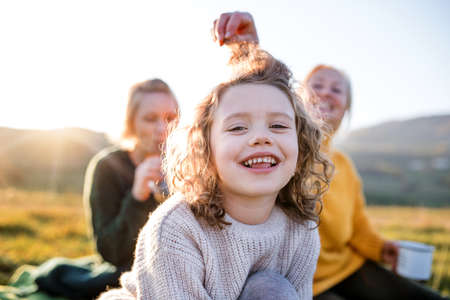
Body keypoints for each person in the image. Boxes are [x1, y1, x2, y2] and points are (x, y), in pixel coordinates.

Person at [212, 11, 449, 300]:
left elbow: (358, 227)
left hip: (349, 267)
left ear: (346, 108)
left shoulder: (346, 166)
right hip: (300, 276)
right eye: (318, 85)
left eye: (337, 90)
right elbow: (258, 89)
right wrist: (246, 49)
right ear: (296, 98)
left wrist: (381, 248)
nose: (326, 93)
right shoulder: (287, 146)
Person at [97, 45, 333, 299]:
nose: (261, 137)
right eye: (238, 127)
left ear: (301, 145)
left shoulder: (301, 228)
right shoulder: (176, 228)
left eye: (277, 125)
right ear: (206, 150)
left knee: (271, 288)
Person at [82, 78, 178, 286]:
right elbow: (111, 252)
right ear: (131, 122)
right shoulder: (108, 167)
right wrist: (137, 197)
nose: (163, 128)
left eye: (171, 117)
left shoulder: (188, 165)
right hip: (129, 272)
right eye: (150, 118)